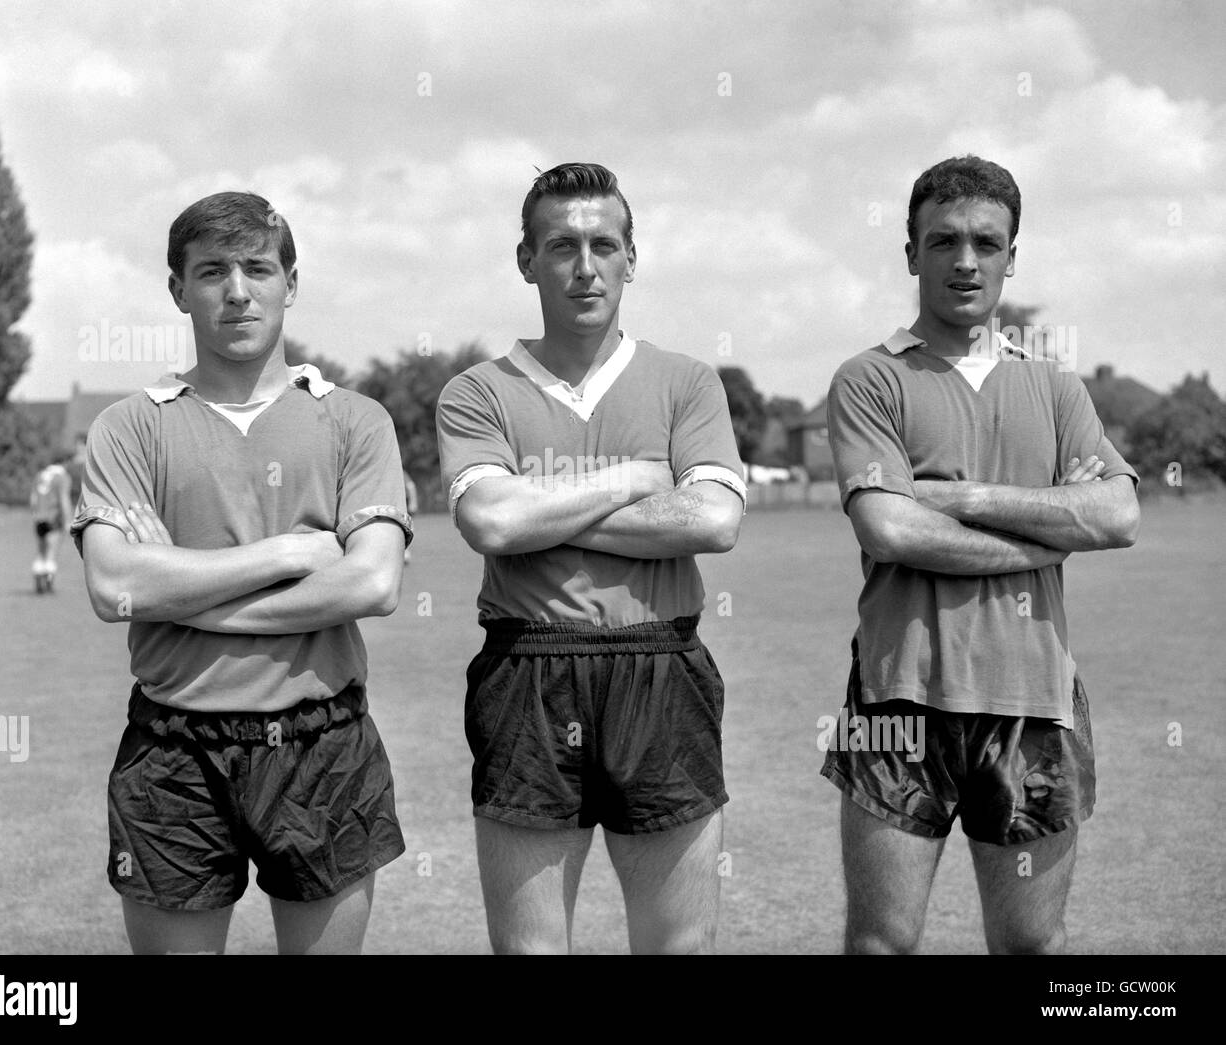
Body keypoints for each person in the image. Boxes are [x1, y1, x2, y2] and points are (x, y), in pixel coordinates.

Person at [71, 191, 411, 954]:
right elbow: (113, 587)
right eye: (212, 270)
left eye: (258, 267)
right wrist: (289, 553)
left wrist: (181, 589)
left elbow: (372, 584)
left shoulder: (355, 419)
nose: (236, 289)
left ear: (291, 282)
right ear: (177, 290)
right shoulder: (132, 425)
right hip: (173, 749)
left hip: (322, 741)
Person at [823, 155, 1141, 955]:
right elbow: (890, 531)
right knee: (879, 943)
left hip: (1033, 698)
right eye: (944, 240)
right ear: (911, 253)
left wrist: (953, 496)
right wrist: (1046, 535)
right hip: (898, 698)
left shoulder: (1057, 389)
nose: (966, 261)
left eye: (986, 243)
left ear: (1011, 255)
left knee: (1032, 946)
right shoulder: (869, 380)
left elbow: (1118, 513)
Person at [436, 162, 746, 954]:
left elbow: (712, 519)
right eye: (561, 245)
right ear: (525, 260)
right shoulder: (478, 391)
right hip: (527, 669)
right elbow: (491, 521)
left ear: (632, 258)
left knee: (676, 945)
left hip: (662, 664)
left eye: (603, 244)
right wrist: (632, 480)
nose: (584, 266)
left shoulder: (686, 382)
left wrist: (545, 509)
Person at [30, 454, 73, 593]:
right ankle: (48, 584)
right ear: (64, 462)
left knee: (40, 552)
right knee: (51, 552)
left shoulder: (40, 475)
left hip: (39, 518)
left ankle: (38, 581)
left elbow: (33, 498)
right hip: (53, 517)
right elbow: (63, 499)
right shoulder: (62, 477)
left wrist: (36, 515)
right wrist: (68, 520)